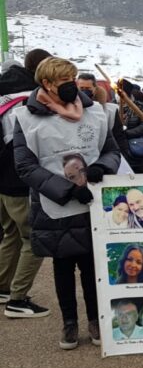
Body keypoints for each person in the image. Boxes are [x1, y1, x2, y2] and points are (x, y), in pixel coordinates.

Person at [14, 56, 120, 348]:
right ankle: (69, 323)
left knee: (91, 267)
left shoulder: (94, 111)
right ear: (47, 83)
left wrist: (102, 168)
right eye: (64, 81)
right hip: (55, 206)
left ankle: (96, 320)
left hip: (91, 203)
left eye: (72, 79)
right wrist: (67, 189)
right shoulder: (26, 118)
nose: (71, 85)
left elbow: (111, 150)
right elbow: (25, 166)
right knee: (62, 268)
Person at [0, 49, 51, 318]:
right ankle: (18, 300)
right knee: (34, 238)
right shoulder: (30, 99)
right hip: (18, 179)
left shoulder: (4, 94)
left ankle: (2, 287)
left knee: (11, 235)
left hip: (2, 182)